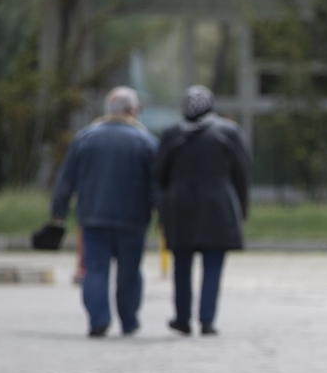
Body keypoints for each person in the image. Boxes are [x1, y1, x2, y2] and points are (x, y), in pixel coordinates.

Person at [49, 87, 158, 337]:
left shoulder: (85, 138)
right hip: (133, 218)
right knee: (129, 272)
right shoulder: (146, 141)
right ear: (131, 110)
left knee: (95, 269)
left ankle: (98, 320)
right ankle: (129, 321)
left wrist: (59, 211)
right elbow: (157, 184)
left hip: (93, 217)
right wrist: (165, 215)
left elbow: (66, 179)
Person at [154, 86, 251, 337]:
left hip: (179, 207)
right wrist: (242, 208)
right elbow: (241, 173)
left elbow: (159, 174)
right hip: (217, 206)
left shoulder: (172, 132)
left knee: (181, 265)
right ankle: (207, 320)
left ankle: (182, 318)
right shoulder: (228, 131)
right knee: (213, 265)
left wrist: (163, 209)